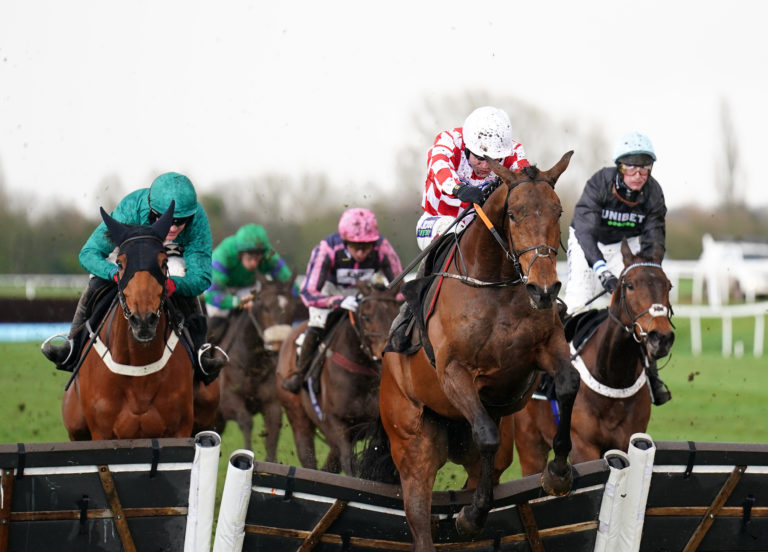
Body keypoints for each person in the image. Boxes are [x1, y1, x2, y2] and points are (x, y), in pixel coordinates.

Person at [41, 171, 226, 382]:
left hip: (169, 259)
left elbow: (201, 276)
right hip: (128, 256)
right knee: (95, 280)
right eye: (167, 220)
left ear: (191, 215)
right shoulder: (130, 209)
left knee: (179, 272)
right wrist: (114, 274)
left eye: (182, 221)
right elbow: (89, 253)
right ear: (150, 209)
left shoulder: (198, 220)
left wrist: (174, 284)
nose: (173, 227)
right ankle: (72, 344)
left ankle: (201, 351)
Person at [562, 131, 671, 405]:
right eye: (632, 168)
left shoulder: (653, 193)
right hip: (590, 243)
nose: (639, 175)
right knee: (576, 306)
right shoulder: (600, 183)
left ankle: (653, 378)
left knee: (639, 314)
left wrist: (648, 273)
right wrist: (602, 271)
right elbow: (585, 231)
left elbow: (654, 238)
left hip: (626, 246)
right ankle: (556, 376)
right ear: (620, 167)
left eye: (644, 168)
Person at [281, 207, 403, 393]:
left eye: (366, 246)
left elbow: (400, 287)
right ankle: (300, 373)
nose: (361, 253)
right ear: (345, 242)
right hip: (328, 292)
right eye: (356, 247)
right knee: (317, 323)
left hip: (365, 292)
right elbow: (308, 291)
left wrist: (384, 298)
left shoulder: (383, 247)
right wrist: (336, 301)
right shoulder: (327, 249)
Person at [415, 105, 530, 251]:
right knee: (454, 231)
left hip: (484, 226)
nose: (486, 166)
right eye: (480, 158)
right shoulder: (449, 141)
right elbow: (438, 166)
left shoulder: (514, 152)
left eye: (495, 160)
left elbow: (526, 183)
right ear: (467, 147)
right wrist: (459, 189)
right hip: (437, 221)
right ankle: (429, 273)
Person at [204, 223, 297, 340]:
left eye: (258, 258)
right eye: (249, 258)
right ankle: (207, 351)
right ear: (240, 253)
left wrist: (293, 296)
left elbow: (289, 283)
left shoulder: (269, 255)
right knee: (216, 321)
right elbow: (211, 295)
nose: (254, 263)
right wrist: (238, 302)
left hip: (248, 288)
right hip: (222, 291)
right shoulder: (223, 255)